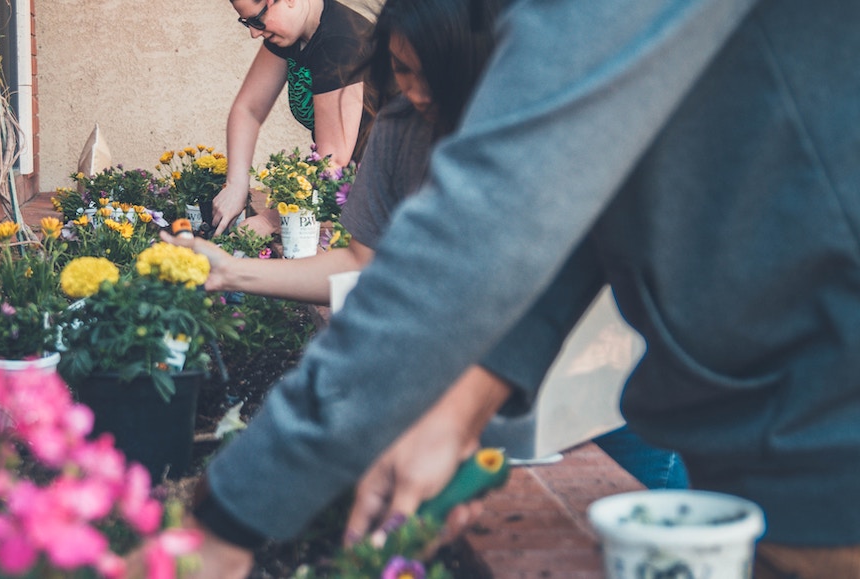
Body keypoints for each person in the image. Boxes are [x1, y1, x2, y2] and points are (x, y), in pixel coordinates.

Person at [182, 0, 860, 577]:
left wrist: (232, 513)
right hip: (765, 425)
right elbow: (562, 206)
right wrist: (463, 404)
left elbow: (504, 204)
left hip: (820, 418)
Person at [179, 0, 689, 491]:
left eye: (432, 74)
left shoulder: (549, 127)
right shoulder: (400, 127)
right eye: (401, 68)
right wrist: (231, 270)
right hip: (501, 392)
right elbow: (360, 263)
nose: (414, 92)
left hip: (617, 373)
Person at [212, 0, 374, 237]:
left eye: (257, 20)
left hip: (393, 191)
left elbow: (333, 162)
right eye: (246, 22)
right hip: (352, 188)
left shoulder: (340, 43)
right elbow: (248, 109)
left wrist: (270, 220)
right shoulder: (292, 32)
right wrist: (236, 184)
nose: (254, 33)